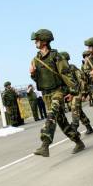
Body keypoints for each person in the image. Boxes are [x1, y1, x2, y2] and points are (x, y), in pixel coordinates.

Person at [30, 29, 85, 157]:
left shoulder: (56, 56)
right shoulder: (36, 59)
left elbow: (66, 74)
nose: (35, 43)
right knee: (61, 121)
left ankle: (45, 145)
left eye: (37, 40)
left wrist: (72, 91)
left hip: (58, 91)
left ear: (44, 41)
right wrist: (33, 74)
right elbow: (38, 80)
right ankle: (78, 142)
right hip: (46, 94)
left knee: (51, 115)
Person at [60, 51, 93, 134]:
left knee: (75, 108)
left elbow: (82, 80)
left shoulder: (72, 68)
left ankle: (74, 127)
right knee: (78, 111)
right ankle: (88, 126)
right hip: (69, 94)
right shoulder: (60, 71)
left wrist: (84, 93)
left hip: (77, 92)